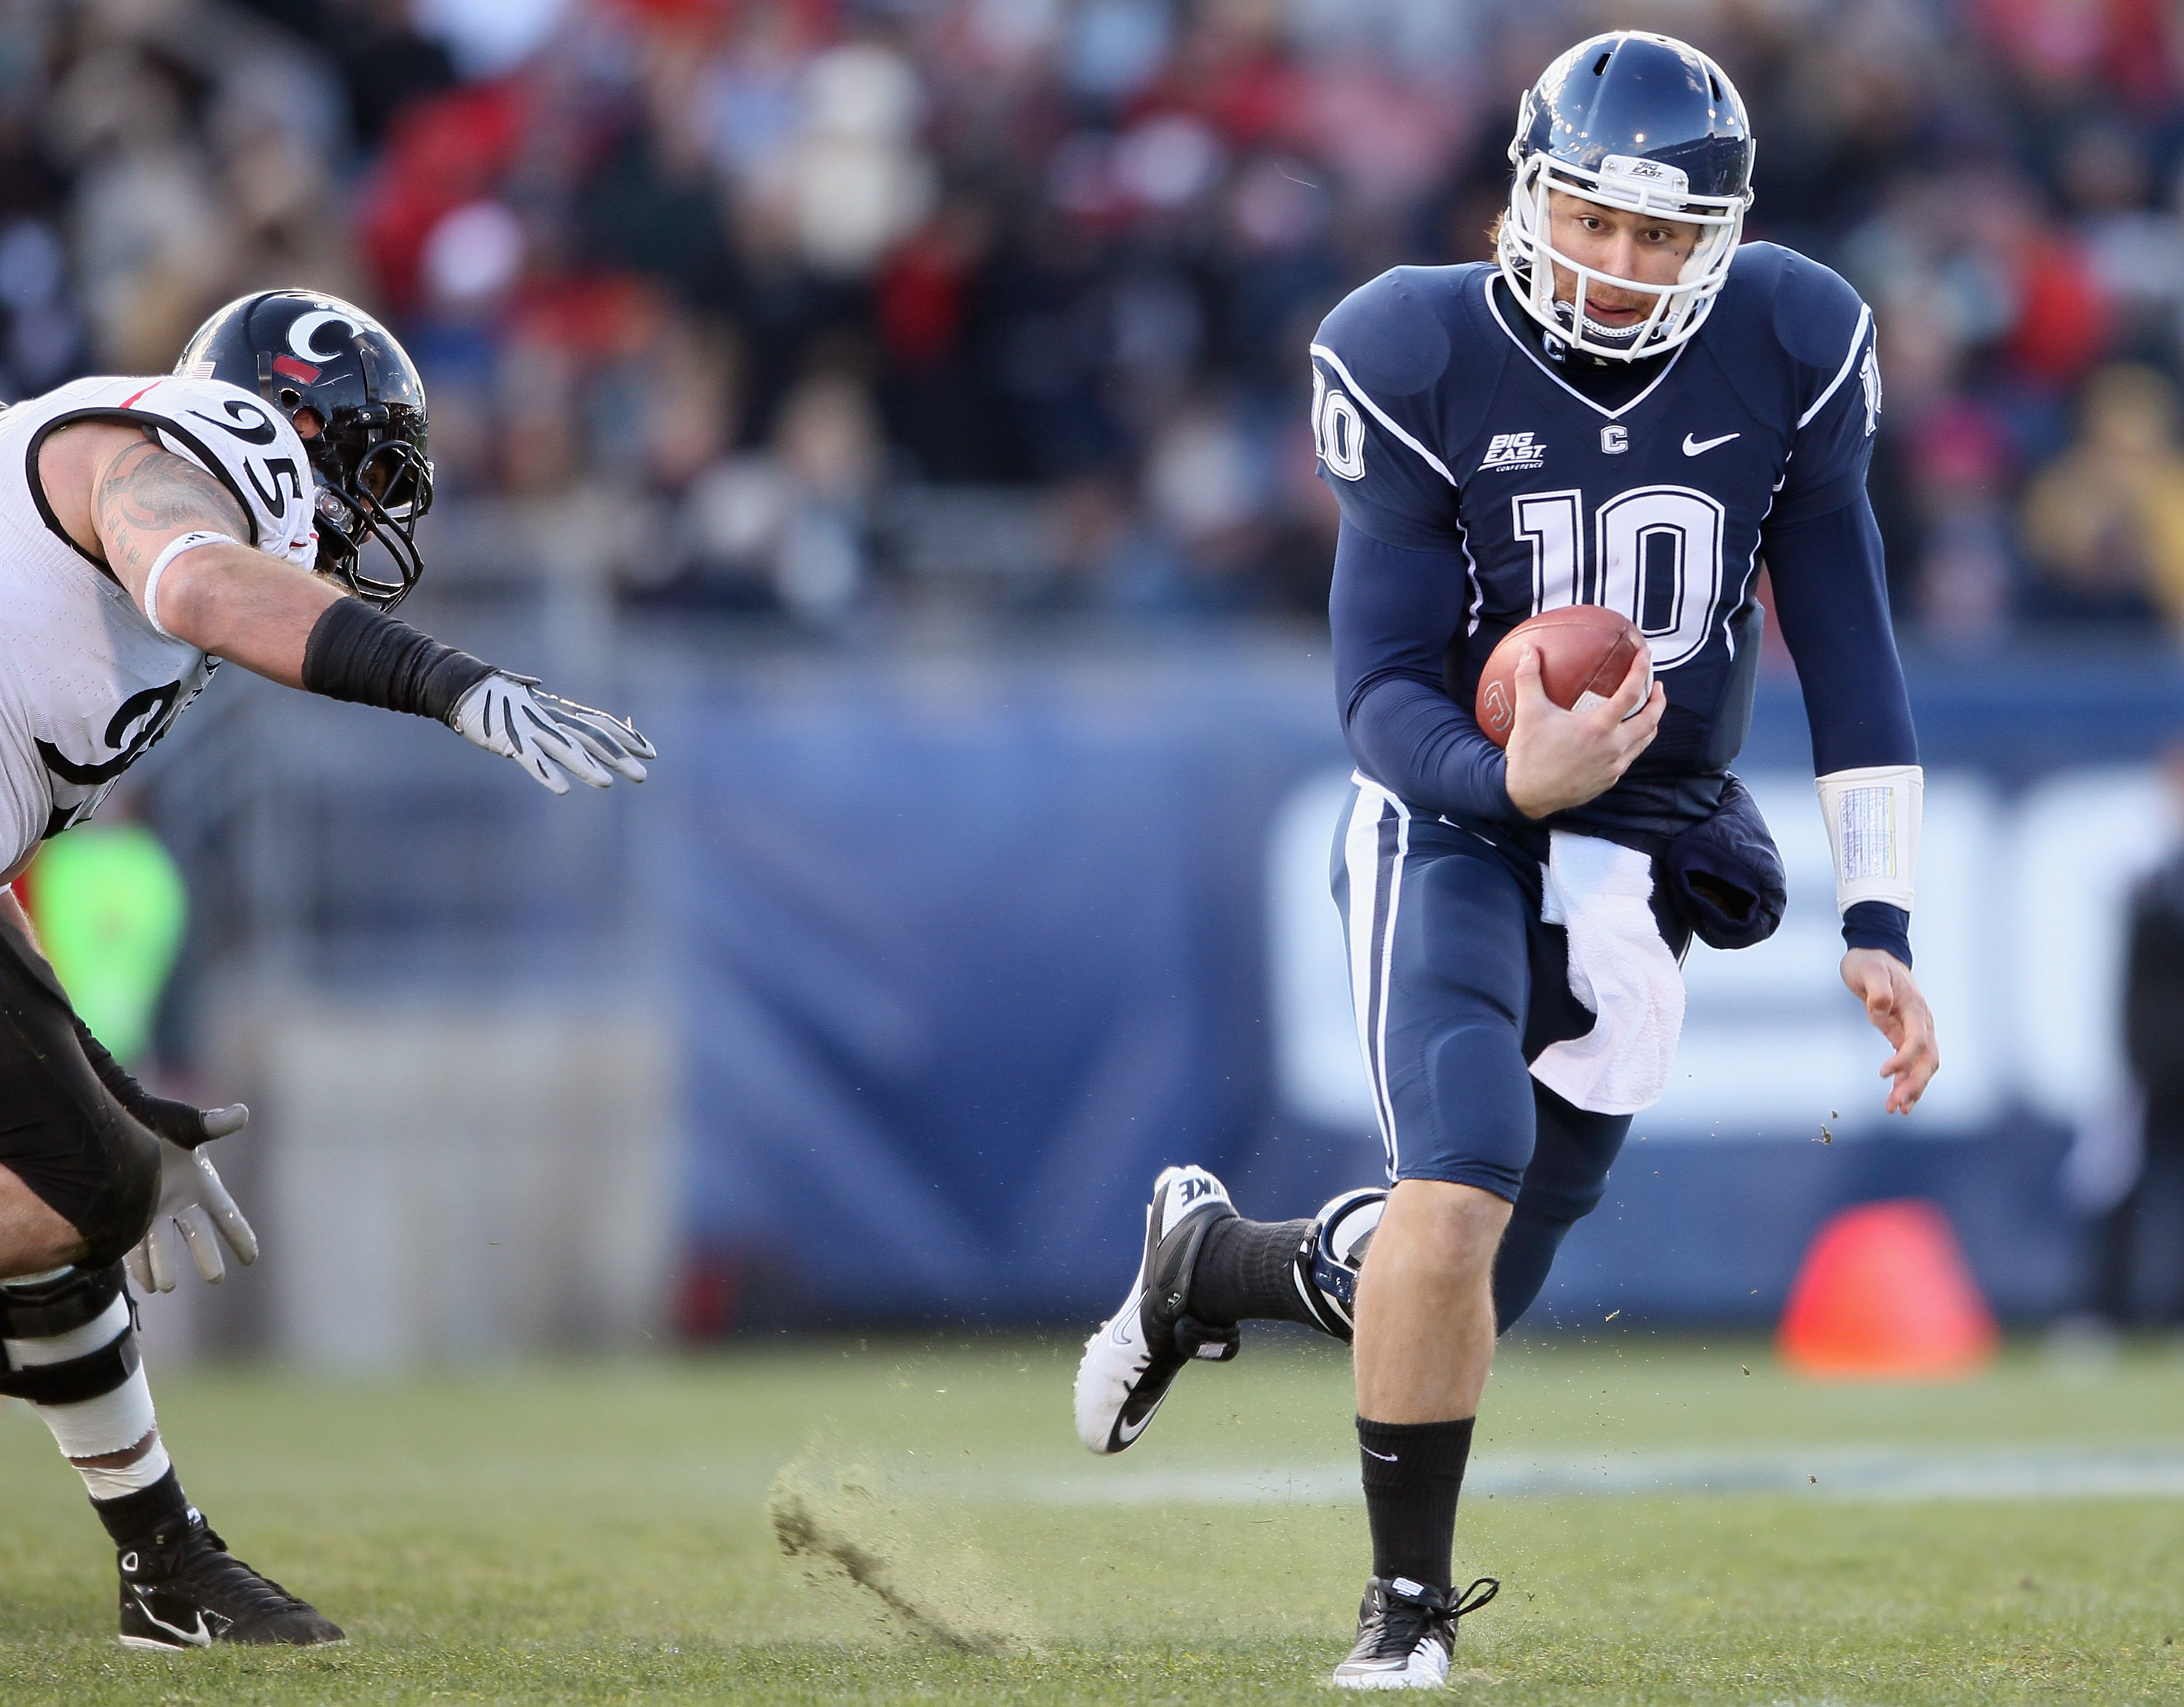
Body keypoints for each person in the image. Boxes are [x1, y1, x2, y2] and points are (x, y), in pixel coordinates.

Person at [1074, 32, 1939, 1690]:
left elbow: (1854, 649)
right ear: (1526, 202)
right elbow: (1378, 691)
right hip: (1448, 812)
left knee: (1470, 1275)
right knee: (1455, 1178)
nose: (1624, 266)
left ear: (1724, 238)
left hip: (1644, 833)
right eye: (1596, 222)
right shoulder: (1408, 348)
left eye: (1667, 235)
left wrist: (1881, 914)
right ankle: (1403, 1615)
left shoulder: (1798, 337)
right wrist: (1507, 771)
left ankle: (1215, 1266)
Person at [0, 288, 654, 1649]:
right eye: (368, 468)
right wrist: (450, 682)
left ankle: (164, 1568)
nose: (372, 514)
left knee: (74, 1184)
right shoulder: (183, 446)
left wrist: (89, 1074)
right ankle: (167, 1563)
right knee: (95, 1181)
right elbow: (199, 577)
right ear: (285, 423)